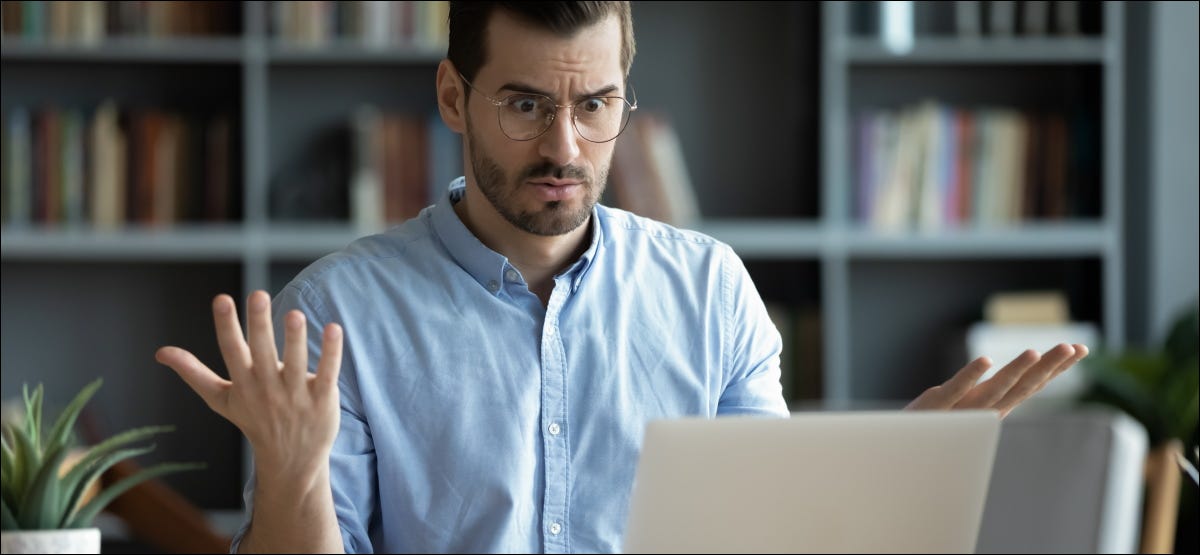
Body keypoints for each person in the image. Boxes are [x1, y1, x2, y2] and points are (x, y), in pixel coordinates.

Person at [155, 2, 1089, 553]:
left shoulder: (710, 290)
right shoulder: (338, 315)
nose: (564, 146)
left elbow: (763, 542)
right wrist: (290, 473)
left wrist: (880, 478)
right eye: (524, 104)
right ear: (453, 98)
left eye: (595, 105)